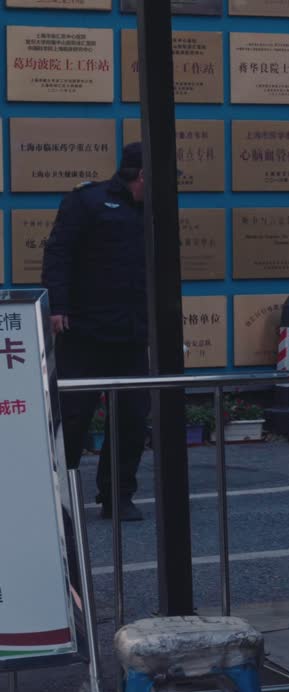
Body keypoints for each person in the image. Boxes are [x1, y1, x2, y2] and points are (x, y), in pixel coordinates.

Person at [43, 142, 149, 522]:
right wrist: (58, 307)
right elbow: (59, 253)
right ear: (141, 175)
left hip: (132, 334)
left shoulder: (155, 212)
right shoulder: (88, 201)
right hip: (85, 332)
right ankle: (58, 497)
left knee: (132, 419)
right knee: (73, 419)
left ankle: (117, 496)